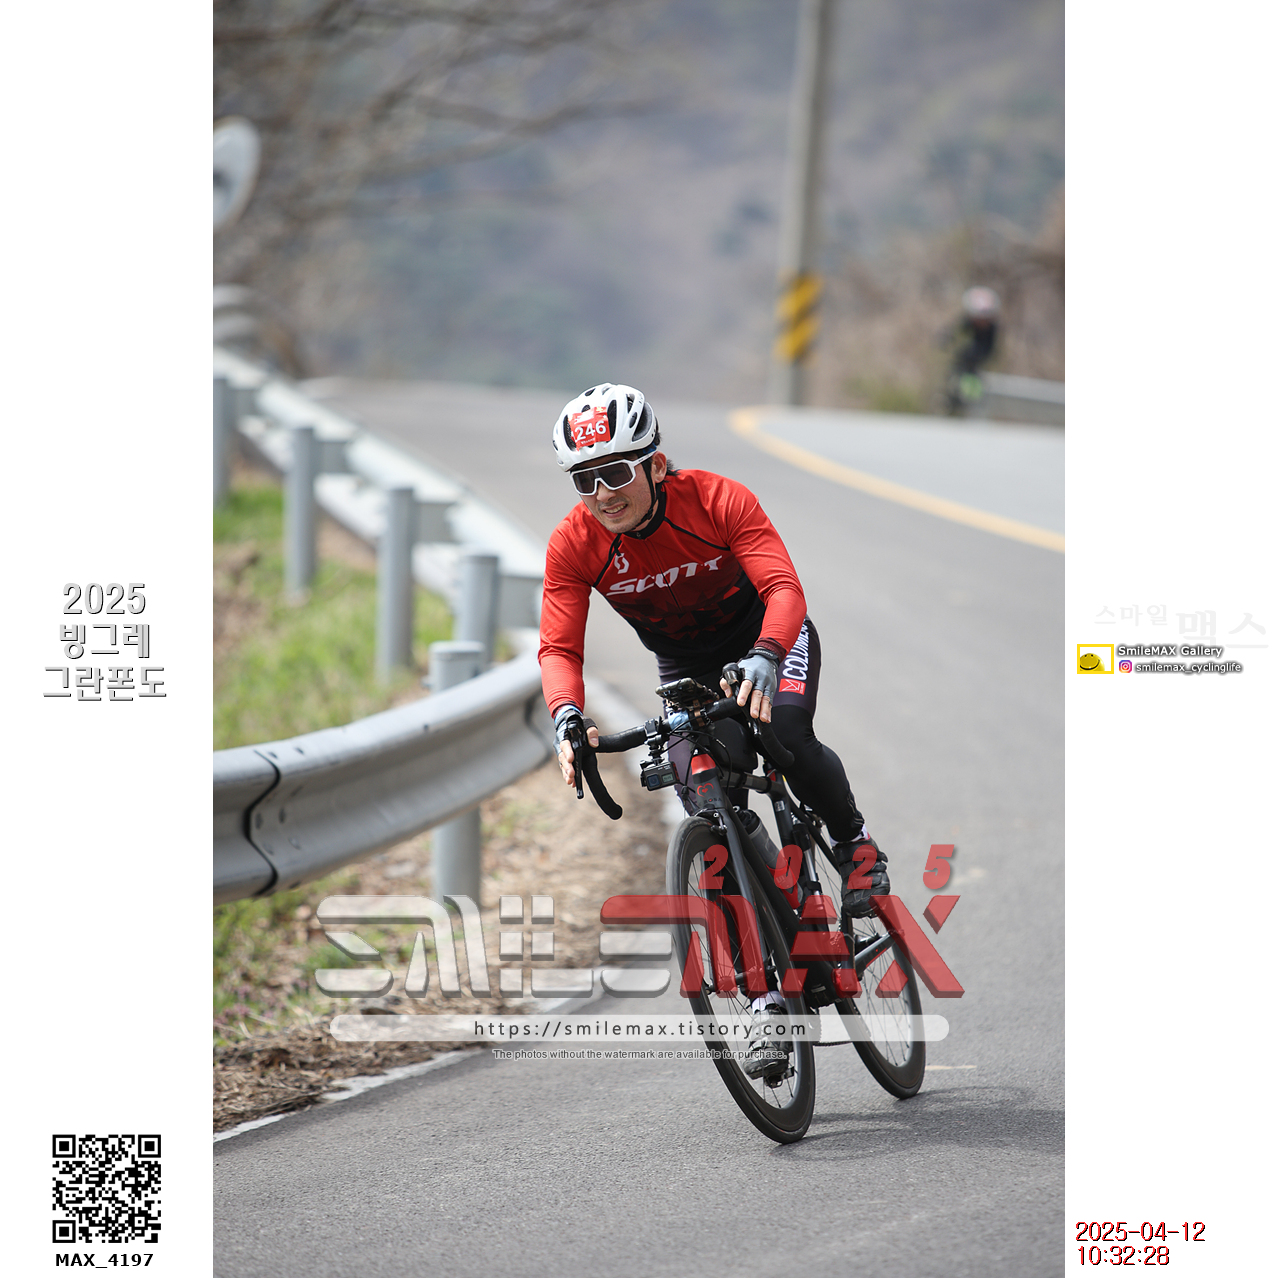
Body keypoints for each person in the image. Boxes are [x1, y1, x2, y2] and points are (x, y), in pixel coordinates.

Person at [537, 383, 888, 1081]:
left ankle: (855, 846)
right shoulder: (575, 543)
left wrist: (767, 655)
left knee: (785, 729)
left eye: (616, 472)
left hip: (768, 638)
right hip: (687, 670)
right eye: (584, 478)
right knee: (705, 797)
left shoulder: (719, 500)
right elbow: (559, 648)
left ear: (654, 465)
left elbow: (784, 589)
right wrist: (567, 716)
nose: (602, 493)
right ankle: (762, 999)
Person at [944, 286, 1001, 414]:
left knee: (974, 384)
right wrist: (946, 338)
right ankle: (952, 399)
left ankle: (969, 402)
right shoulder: (967, 323)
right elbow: (954, 332)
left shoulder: (992, 330)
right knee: (956, 373)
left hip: (979, 363)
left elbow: (991, 351)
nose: (981, 321)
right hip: (963, 362)